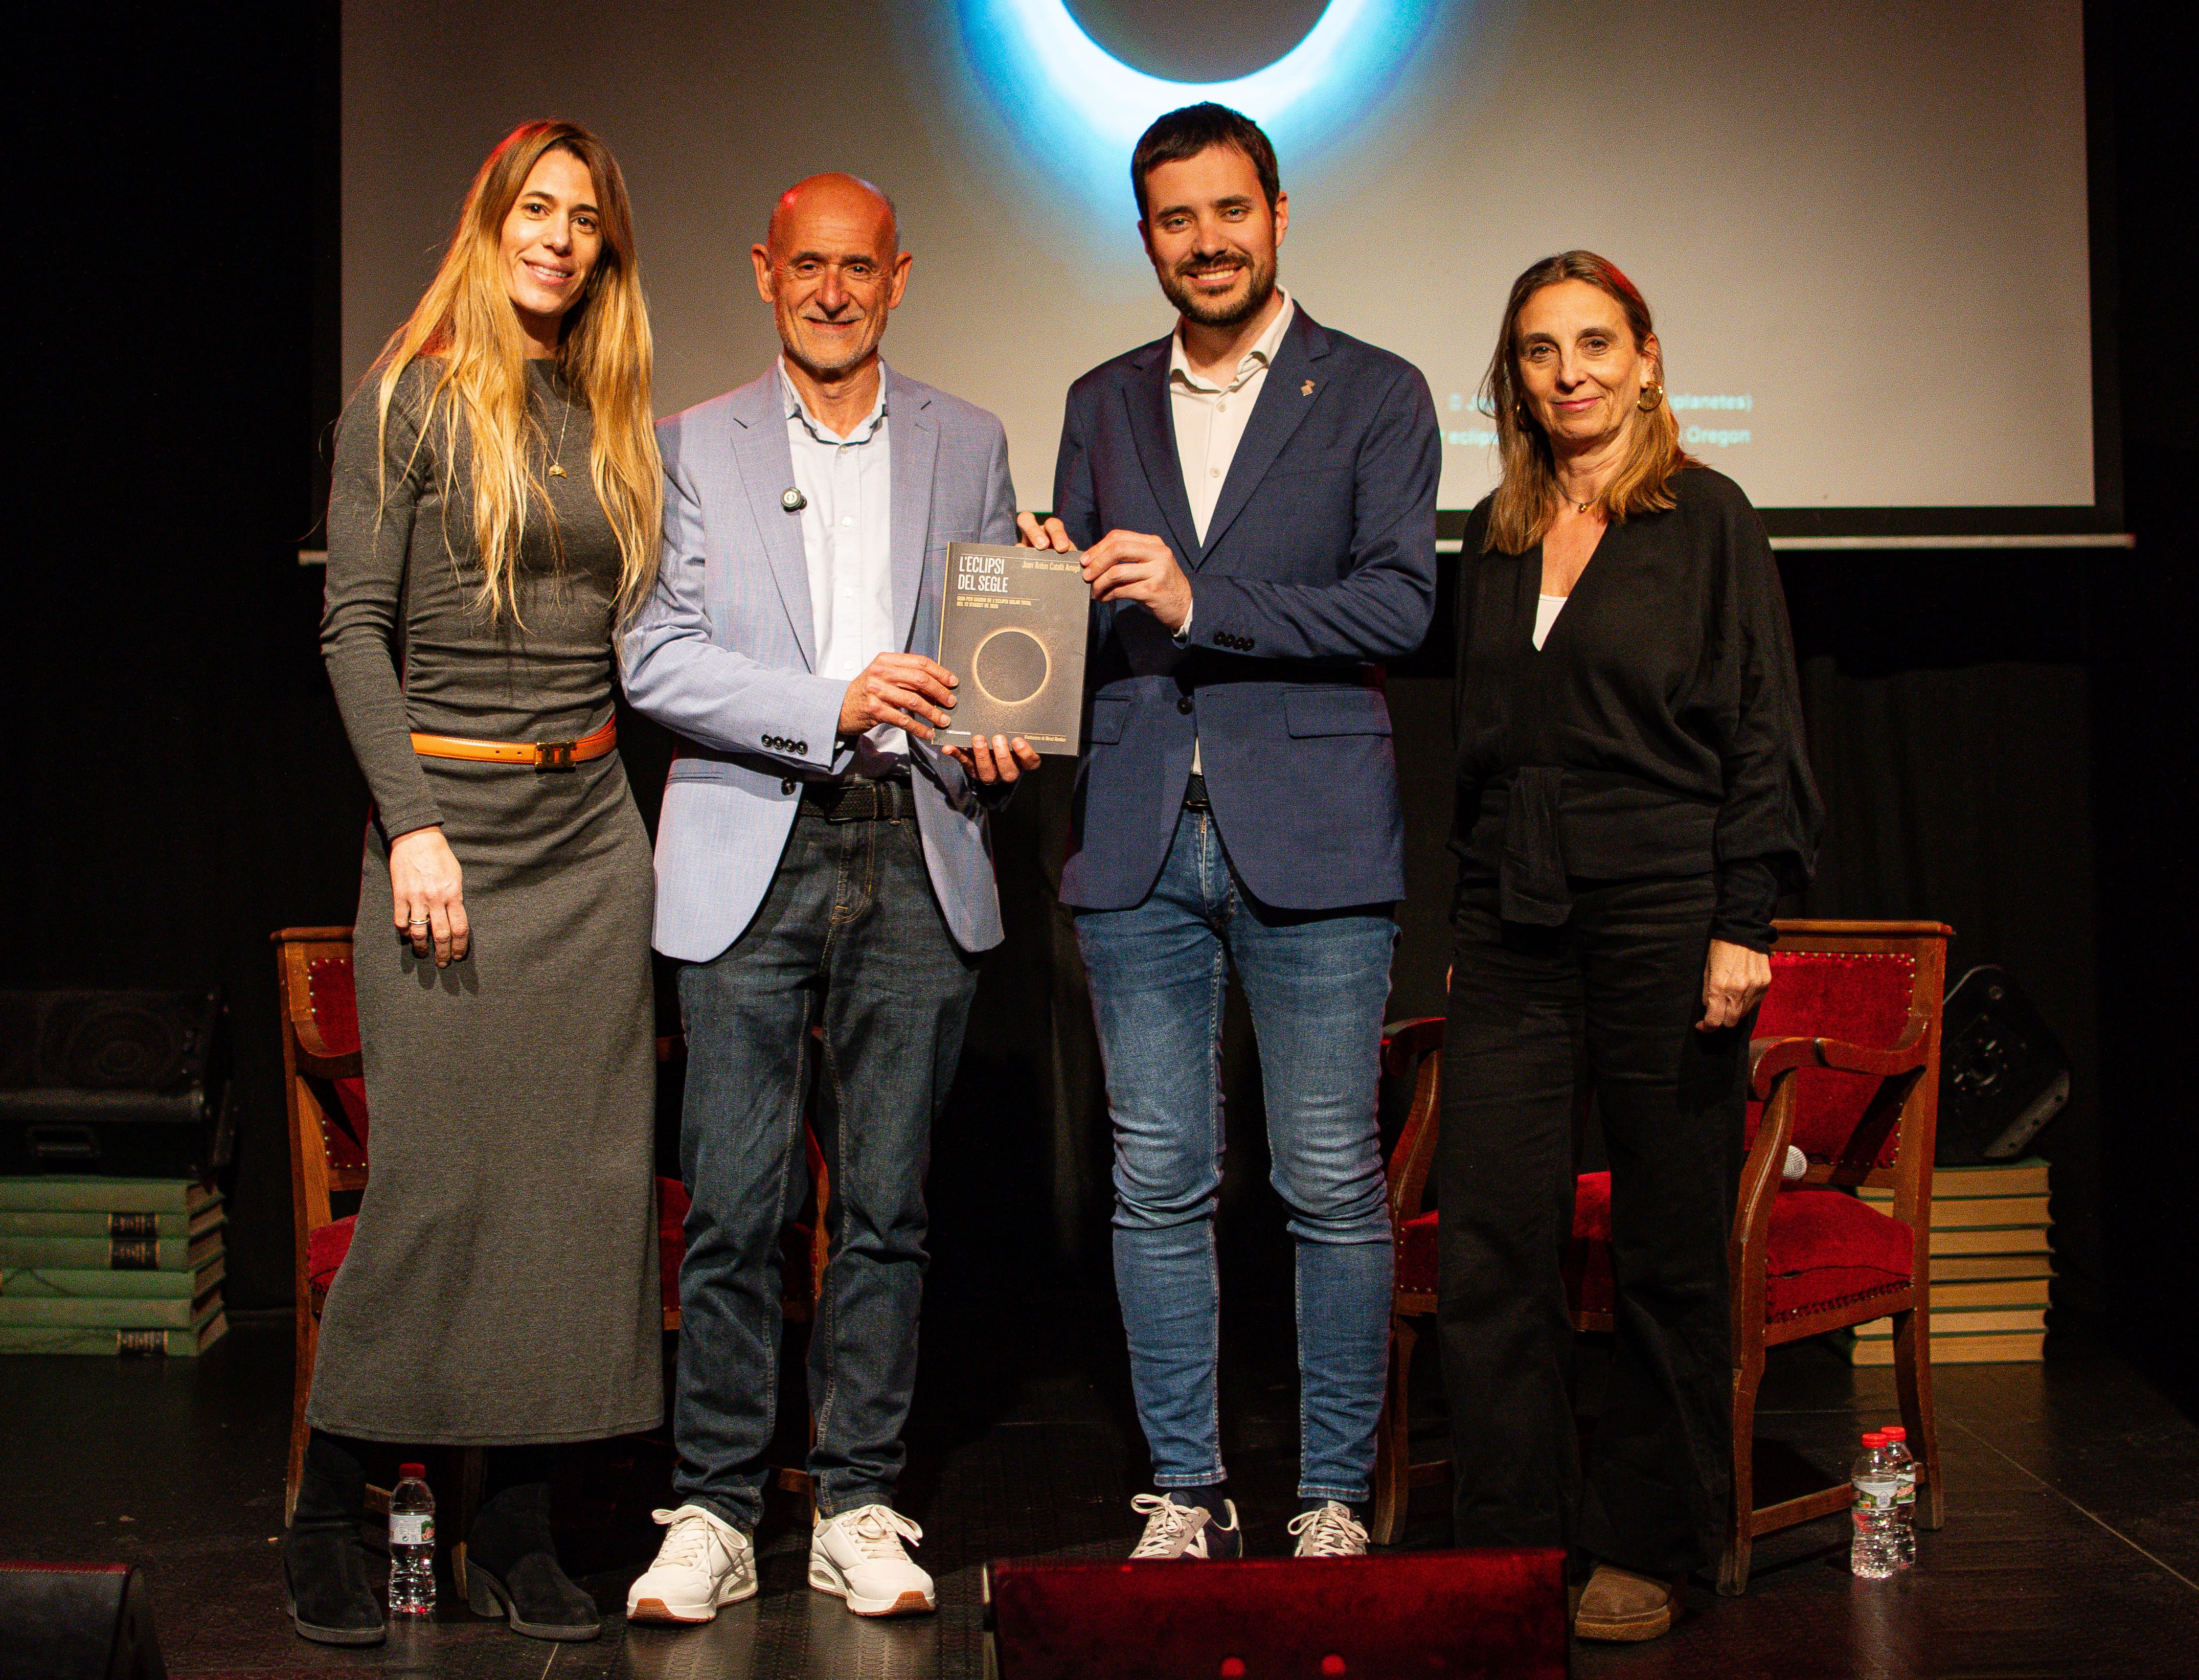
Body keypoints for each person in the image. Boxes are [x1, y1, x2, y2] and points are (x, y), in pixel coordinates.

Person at [1018, 103, 1441, 1562]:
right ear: (1146, 236)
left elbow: (1399, 604)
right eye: (1175, 218)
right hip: (1136, 832)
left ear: (1278, 214)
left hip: (1314, 829)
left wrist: (1202, 603)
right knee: (1156, 1180)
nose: (1206, 241)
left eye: (1229, 211)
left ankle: (1330, 1495)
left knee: (1326, 1178)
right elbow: (1074, 624)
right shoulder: (1101, 399)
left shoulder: (1374, 391)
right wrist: (1044, 592)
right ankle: (1186, 1492)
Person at [618, 172, 1038, 1625]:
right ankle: (715, 1511)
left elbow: (998, 653)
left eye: (860, 267)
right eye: (809, 264)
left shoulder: (969, 439)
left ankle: (855, 1502)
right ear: (764, 270)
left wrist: (999, 728)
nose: (834, 290)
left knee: (885, 1209)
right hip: (752, 847)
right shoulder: (689, 445)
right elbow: (654, 656)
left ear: (898, 278)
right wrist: (829, 701)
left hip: (915, 845)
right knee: (732, 1209)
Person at [300, 121, 666, 1645]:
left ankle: (514, 1527)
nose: (558, 237)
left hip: (591, 839)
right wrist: (413, 826)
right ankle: (331, 1503)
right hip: (450, 831)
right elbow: (352, 630)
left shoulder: (608, 405)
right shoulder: (407, 395)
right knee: (441, 1186)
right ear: (490, 219)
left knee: (574, 1198)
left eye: (583, 218)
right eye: (536, 208)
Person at [1433, 251, 1823, 1641]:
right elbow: (1478, 752)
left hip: (1666, 907)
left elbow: (1761, 728)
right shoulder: (1495, 533)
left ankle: (1647, 1540)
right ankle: (1509, 1544)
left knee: (1664, 1246)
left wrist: (1741, 921)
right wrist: (1470, 921)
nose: (1570, 374)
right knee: (1490, 1245)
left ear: (1646, 360)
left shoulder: (1706, 518)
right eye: (1540, 352)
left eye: (1595, 344)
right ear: (1515, 377)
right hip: (1513, 916)